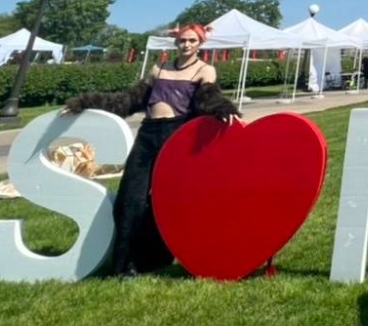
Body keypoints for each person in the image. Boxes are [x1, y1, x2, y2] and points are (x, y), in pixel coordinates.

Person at [61, 23, 238, 276]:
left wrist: (224, 110)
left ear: (200, 44)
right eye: (182, 41)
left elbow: (209, 100)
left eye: (191, 41)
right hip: (148, 136)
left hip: (177, 138)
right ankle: (124, 264)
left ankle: (154, 258)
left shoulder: (205, 70)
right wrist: (83, 102)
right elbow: (128, 100)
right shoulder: (160, 68)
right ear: (175, 42)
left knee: (167, 201)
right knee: (130, 200)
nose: (186, 45)